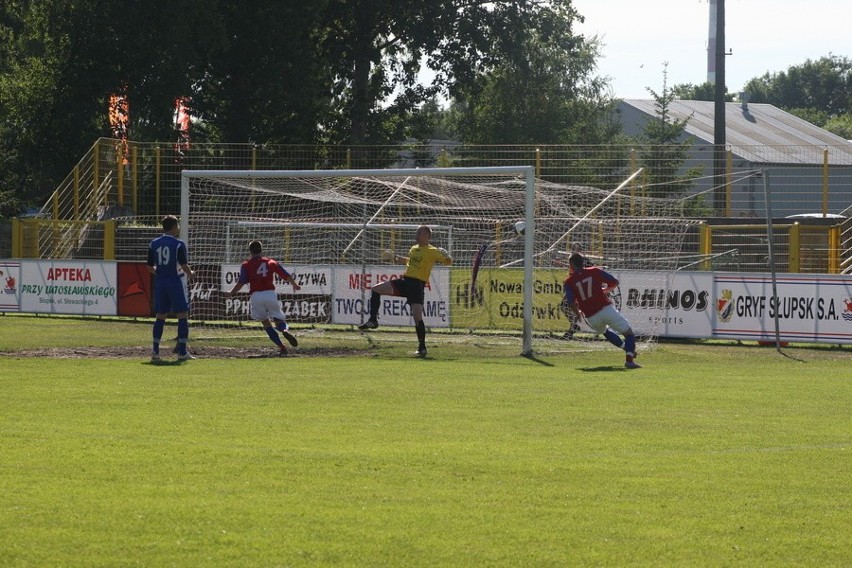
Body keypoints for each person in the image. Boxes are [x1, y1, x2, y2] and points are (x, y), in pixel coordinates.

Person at [358, 225, 452, 357]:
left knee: (417, 317)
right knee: (376, 289)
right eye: (417, 232)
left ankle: (422, 348)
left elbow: (448, 262)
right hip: (405, 281)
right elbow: (410, 261)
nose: (417, 234)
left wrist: (447, 256)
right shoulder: (413, 249)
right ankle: (373, 320)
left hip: (417, 285)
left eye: (420, 232)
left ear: (427, 236)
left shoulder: (433, 251)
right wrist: (395, 257)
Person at [562, 252, 641, 369]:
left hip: (591, 317)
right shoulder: (594, 271)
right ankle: (629, 360)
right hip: (605, 309)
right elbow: (614, 282)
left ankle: (627, 349)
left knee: (605, 332)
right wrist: (606, 290)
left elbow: (571, 302)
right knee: (629, 333)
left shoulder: (569, 282)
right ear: (582, 262)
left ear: (571, 265)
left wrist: (577, 314)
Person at [224, 240, 301, 356]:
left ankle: (282, 346)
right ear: (261, 250)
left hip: (256, 296)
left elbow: (241, 282)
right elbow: (285, 274)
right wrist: (294, 284)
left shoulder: (246, 265)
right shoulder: (270, 262)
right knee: (279, 320)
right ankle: (284, 331)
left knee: (265, 322)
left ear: (250, 251)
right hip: (270, 294)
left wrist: (231, 292)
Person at [147, 215, 194, 361]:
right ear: (174, 227)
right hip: (175, 281)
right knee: (182, 315)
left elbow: (149, 267)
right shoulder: (179, 244)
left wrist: (160, 273)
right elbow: (184, 265)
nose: (178, 228)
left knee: (160, 315)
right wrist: (190, 273)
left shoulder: (153, 243)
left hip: (161, 282)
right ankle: (182, 352)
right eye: (177, 225)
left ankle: (155, 352)